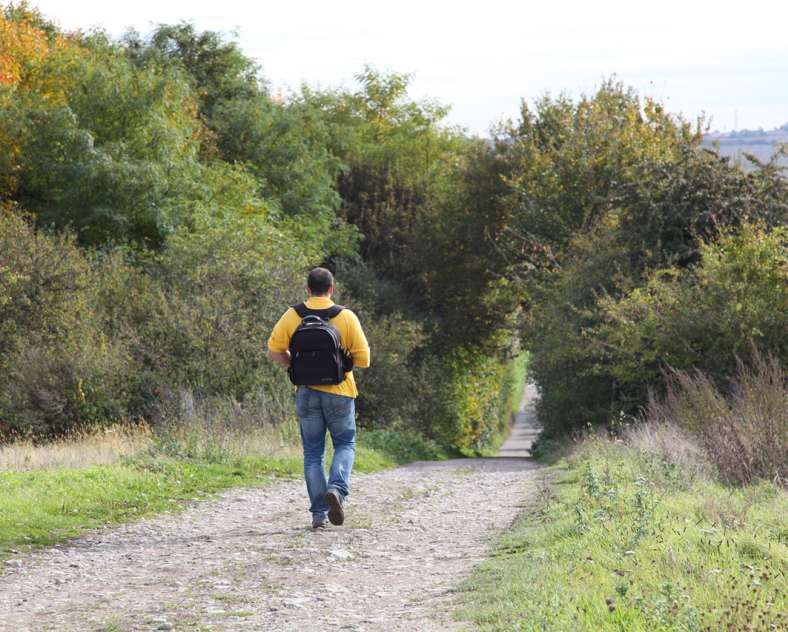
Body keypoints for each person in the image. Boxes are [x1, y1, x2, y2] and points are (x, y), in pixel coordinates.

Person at [267, 267, 370, 530]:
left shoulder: (293, 315)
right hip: (340, 392)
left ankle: (318, 516)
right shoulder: (346, 317)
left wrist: (296, 365)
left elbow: (274, 351)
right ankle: (336, 488)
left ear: (308, 289)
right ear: (331, 289)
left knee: (313, 453)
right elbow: (364, 360)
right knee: (345, 444)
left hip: (306, 393)